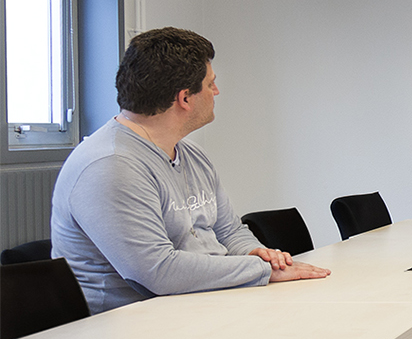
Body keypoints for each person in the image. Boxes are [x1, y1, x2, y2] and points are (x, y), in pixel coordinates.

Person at [51, 27, 329, 314]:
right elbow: (158, 272)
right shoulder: (110, 166)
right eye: (210, 84)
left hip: (200, 305)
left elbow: (229, 231)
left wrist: (255, 252)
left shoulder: (192, 154)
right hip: (132, 327)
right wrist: (259, 270)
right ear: (185, 98)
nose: (216, 91)